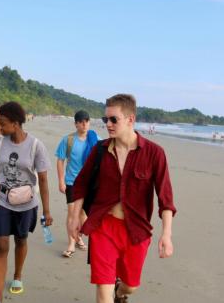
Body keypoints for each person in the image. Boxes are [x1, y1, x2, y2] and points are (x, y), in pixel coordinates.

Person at [68, 94, 177, 303]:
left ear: (130, 119)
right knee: (103, 290)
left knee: (131, 286)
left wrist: (167, 234)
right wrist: (74, 217)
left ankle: (121, 292)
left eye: (113, 119)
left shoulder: (155, 154)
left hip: (136, 230)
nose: (108, 124)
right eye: (105, 119)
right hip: (104, 227)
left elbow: (165, 198)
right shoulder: (100, 150)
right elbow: (81, 184)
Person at [0, 101, 53, 303]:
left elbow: (43, 180)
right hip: (2, 201)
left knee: (21, 240)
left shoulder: (36, 145)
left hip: (27, 203)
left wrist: (47, 211)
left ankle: (17, 276)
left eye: (3, 124)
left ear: (16, 123)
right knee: (1, 245)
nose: (0, 128)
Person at [55, 110, 99, 258]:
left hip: (89, 183)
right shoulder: (68, 140)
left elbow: (103, 157)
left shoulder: (95, 139)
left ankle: (79, 235)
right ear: (76, 124)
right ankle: (71, 244)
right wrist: (61, 181)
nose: (84, 124)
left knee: (83, 214)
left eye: (87, 121)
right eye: (81, 122)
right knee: (72, 213)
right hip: (72, 182)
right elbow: (60, 160)